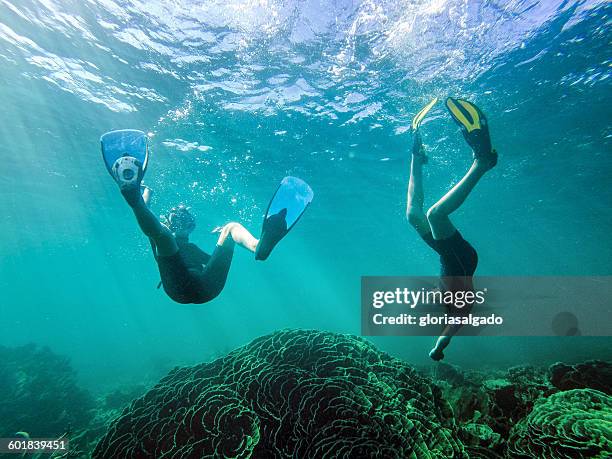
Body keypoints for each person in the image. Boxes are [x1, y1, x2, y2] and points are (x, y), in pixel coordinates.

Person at [101, 130, 313, 304]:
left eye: (185, 220)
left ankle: (260, 247)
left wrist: (142, 197)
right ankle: (257, 246)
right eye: (176, 219)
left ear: (192, 226)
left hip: (188, 290)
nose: (181, 223)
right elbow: (151, 222)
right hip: (205, 290)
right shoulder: (164, 236)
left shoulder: (172, 241)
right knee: (165, 236)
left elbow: (212, 260)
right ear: (169, 221)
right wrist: (144, 196)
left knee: (227, 228)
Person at [405, 97, 498, 361]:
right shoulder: (459, 311)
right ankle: (482, 163)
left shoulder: (438, 299)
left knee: (413, 215)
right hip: (462, 258)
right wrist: (437, 349)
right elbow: (447, 334)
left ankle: (417, 158)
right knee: (435, 214)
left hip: (446, 254)